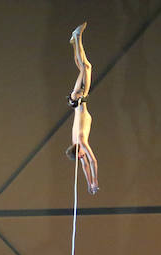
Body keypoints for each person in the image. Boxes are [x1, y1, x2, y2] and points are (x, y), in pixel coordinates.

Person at [66, 22, 99, 195]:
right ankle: (74, 41)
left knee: (85, 68)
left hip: (78, 99)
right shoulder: (75, 144)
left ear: (78, 152)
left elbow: (92, 162)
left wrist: (95, 181)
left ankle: (77, 37)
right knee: (84, 67)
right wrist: (89, 183)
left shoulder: (81, 142)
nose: (82, 157)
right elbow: (85, 165)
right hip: (75, 102)